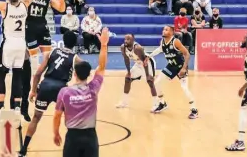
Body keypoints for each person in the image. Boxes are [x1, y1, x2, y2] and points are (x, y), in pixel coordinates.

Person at [18, 31, 82, 157]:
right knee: (71, 119)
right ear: (75, 43)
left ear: (63, 40)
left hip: (46, 86)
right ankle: (75, 149)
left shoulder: (52, 52)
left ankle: (23, 150)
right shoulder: (76, 58)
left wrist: (33, 90)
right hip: (61, 89)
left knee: (36, 118)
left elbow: (37, 73)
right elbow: (83, 74)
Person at [53, 28, 109, 157]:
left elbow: (57, 116)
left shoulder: (65, 92)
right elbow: (101, 67)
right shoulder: (93, 88)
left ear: (74, 74)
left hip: (72, 137)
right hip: (90, 137)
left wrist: (56, 132)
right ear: (89, 75)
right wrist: (104, 45)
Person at [24, 0, 66, 92]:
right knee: (34, 58)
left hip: (42, 25)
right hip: (30, 25)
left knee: (47, 55)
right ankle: (33, 86)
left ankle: (43, 83)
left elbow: (61, 9)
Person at [149, 25, 198, 119]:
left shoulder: (176, 41)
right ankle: (162, 103)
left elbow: (187, 54)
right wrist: (149, 56)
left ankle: (194, 109)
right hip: (171, 66)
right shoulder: (162, 41)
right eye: (163, 29)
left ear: (172, 32)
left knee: (184, 88)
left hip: (180, 67)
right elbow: (159, 49)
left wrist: (184, 68)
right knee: (157, 83)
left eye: (166, 30)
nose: (163, 31)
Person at [116, 34, 158, 111]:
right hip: (138, 64)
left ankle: (156, 104)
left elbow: (144, 62)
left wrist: (147, 75)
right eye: (125, 39)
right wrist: (128, 72)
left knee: (150, 81)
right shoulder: (123, 47)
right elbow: (126, 59)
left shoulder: (137, 48)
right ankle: (124, 102)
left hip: (147, 63)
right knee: (127, 79)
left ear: (133, 40)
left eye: (128, 39)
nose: (126, 41)